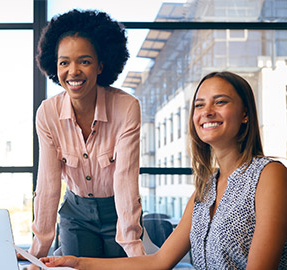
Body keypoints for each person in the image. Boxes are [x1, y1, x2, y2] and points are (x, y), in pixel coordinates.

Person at [41, 71, 287, 269]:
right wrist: (77, 262)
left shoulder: (269, 175)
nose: (207, 111)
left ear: (245, 114)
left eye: (220, 102)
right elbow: (159, 262)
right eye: (199, 105)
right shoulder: (204, 192)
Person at [28, 9, 145, 259]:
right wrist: (37, 252)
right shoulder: (47, 113)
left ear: (101, 65)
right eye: (64, 62)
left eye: (84, 61)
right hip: (75, 214)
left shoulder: (126, 108)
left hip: (118, 212)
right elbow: (48, 185)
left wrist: (135, 252)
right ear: (54, 66)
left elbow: (125, 181)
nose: (73, 71)